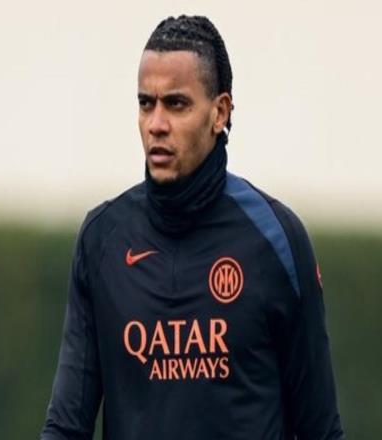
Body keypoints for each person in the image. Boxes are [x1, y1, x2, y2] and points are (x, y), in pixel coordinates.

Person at [40, 15, 344, 440]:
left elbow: (321, 430)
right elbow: (66, 427)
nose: (156, 124)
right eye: (146, 103)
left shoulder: (278, 239)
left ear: (220, 112)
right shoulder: (103, 239)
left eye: (176, 104)